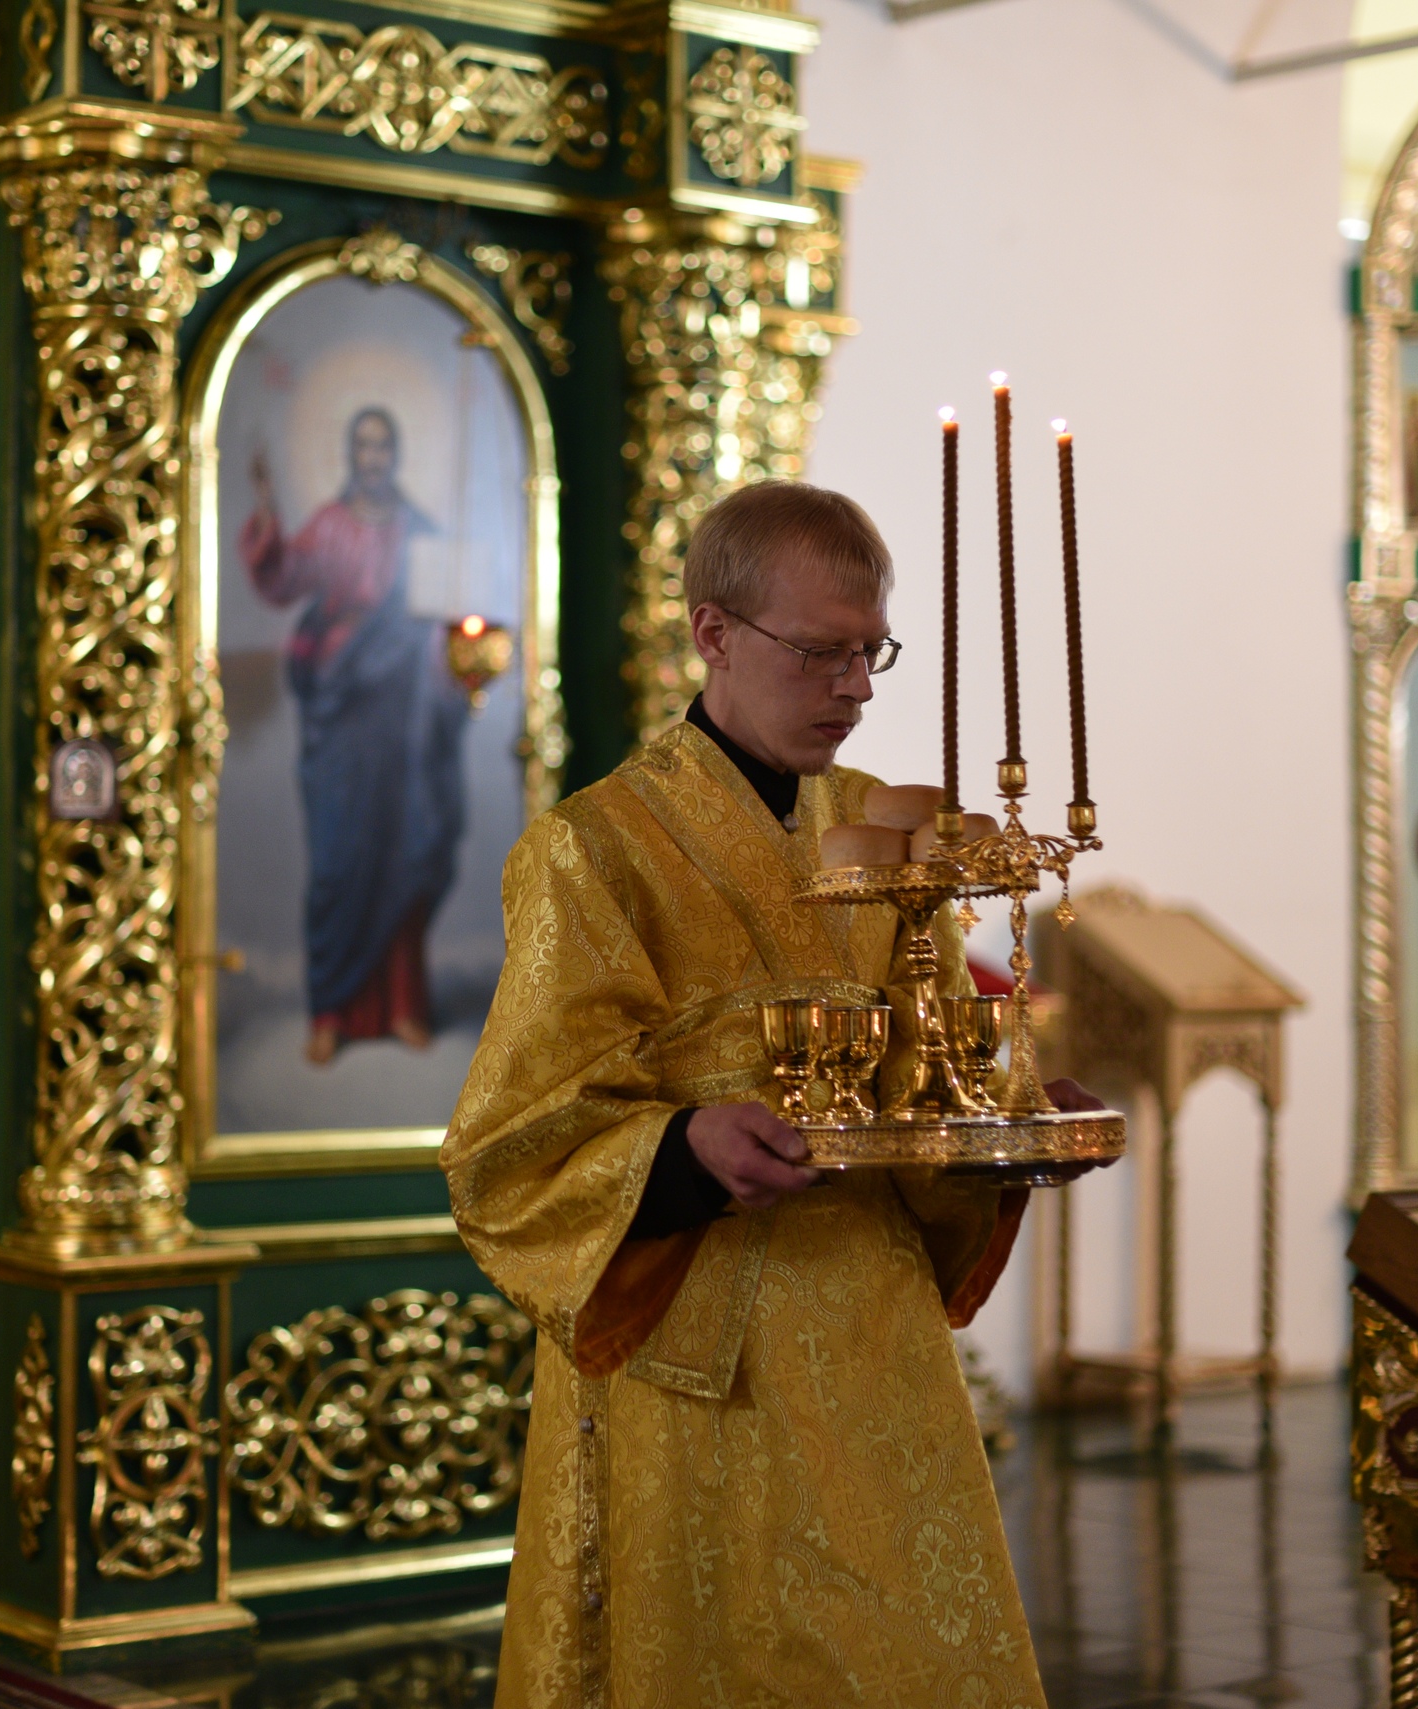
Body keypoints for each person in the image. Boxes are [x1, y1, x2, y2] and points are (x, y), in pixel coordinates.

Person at [443, 481, 1101, 1705]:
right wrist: (684, 1145)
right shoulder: (593, 849)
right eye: (821, 653)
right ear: (714, 633)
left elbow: (935, 1048)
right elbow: (509, 1143)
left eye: (870, 652)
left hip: (876, 1335)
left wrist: (1003, 1117)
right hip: (695, 1350)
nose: (855, 686)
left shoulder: (888, 829)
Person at [240, 407, 469, 1064]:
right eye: (363, 446)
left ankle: (402, 1005)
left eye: (383, 446)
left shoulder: (420, 532)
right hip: (340, 712)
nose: (373, 459)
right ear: (350, 455)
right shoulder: (330, 526)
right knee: (340, 861)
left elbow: (446, 621)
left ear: (396, 455)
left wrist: (455, 666)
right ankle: (332, 1010)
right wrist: (264, 507)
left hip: (403, 720)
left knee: (401, 854)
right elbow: (285, 576)